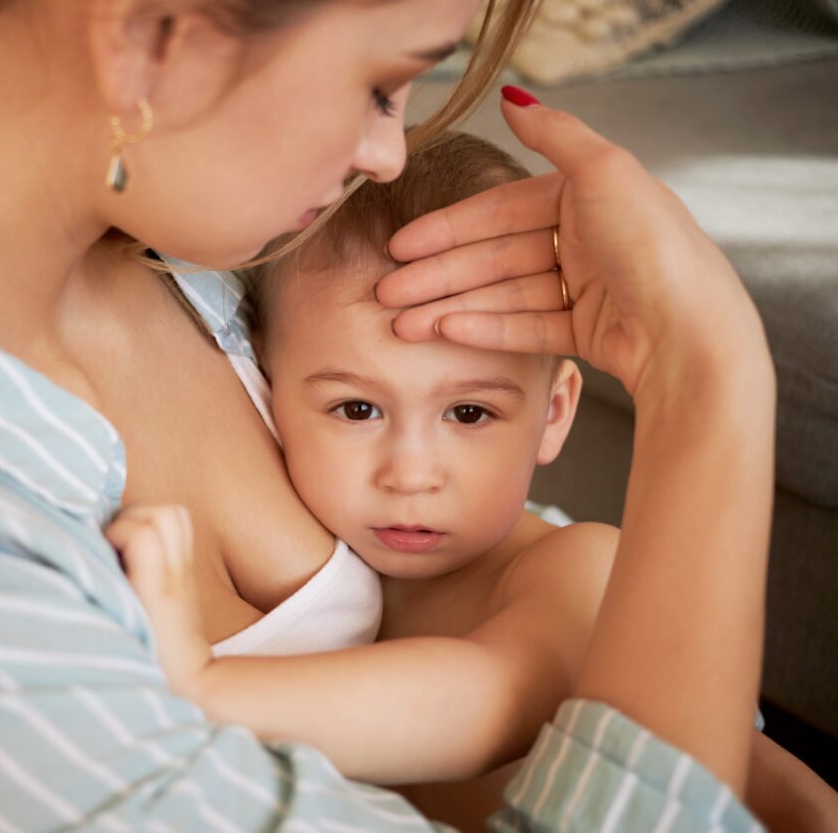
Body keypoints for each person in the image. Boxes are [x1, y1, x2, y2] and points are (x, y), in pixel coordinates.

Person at [0, 0, 812, 833]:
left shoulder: (216, 267)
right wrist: (707, 379)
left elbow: (514, 599)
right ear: (154, 38)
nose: (386, 155)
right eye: (380, 83)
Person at [110, 130, 619, 792]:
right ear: (265, 381)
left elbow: (486, 704)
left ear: (552, 414)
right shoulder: (327, 552)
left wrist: (200, 687)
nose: (410, 475)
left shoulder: (581, 569)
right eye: (357, 409)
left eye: (469, 414)